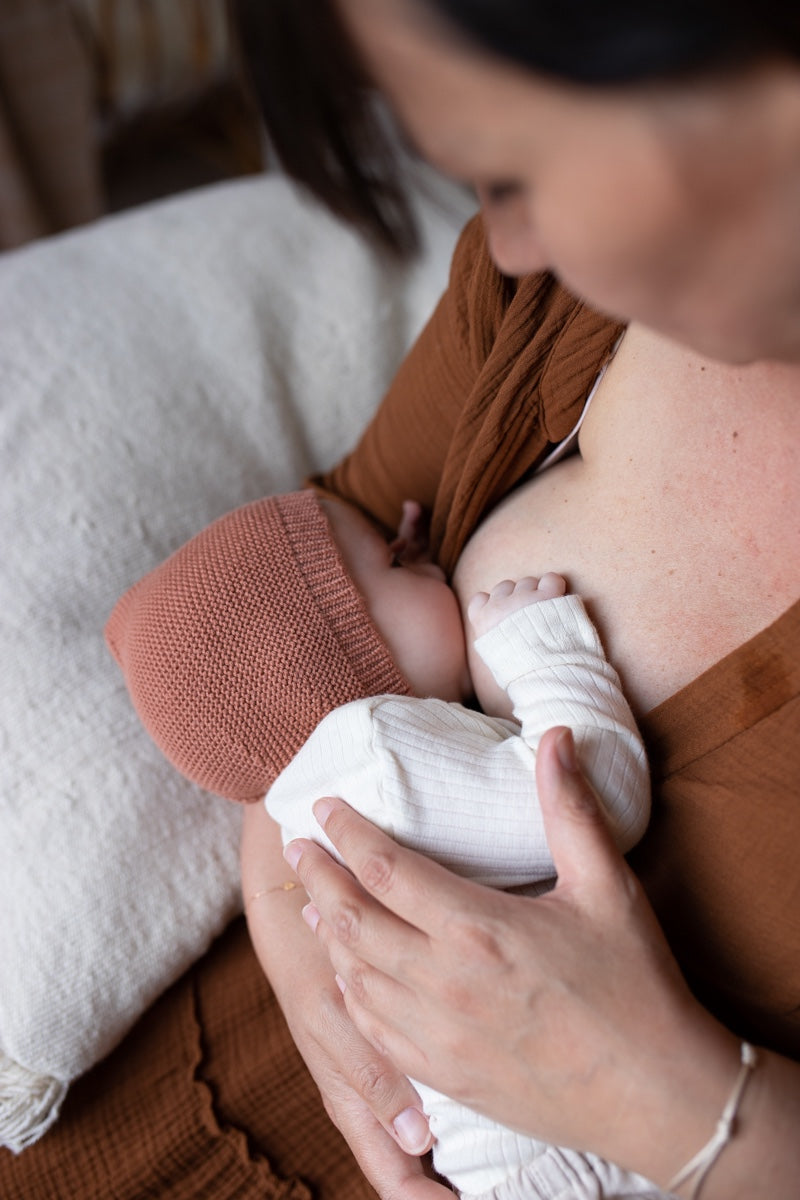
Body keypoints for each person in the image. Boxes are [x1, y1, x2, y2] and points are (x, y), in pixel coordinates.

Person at [3, 2, 799, 1196]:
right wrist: (293, 871)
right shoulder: (559, 300)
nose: (504, 241)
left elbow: (549, 770)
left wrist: (684, 1107)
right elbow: (302, 569)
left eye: (512, 165)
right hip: (157, 1102)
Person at [105, 485, 651, 1200]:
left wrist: (402, 588)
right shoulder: (378, 756)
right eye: (395, 562)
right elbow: (599, 807)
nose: (427, 563)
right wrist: (543, 647)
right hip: (576, 1145)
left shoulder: (320, 791)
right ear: (344, 647)